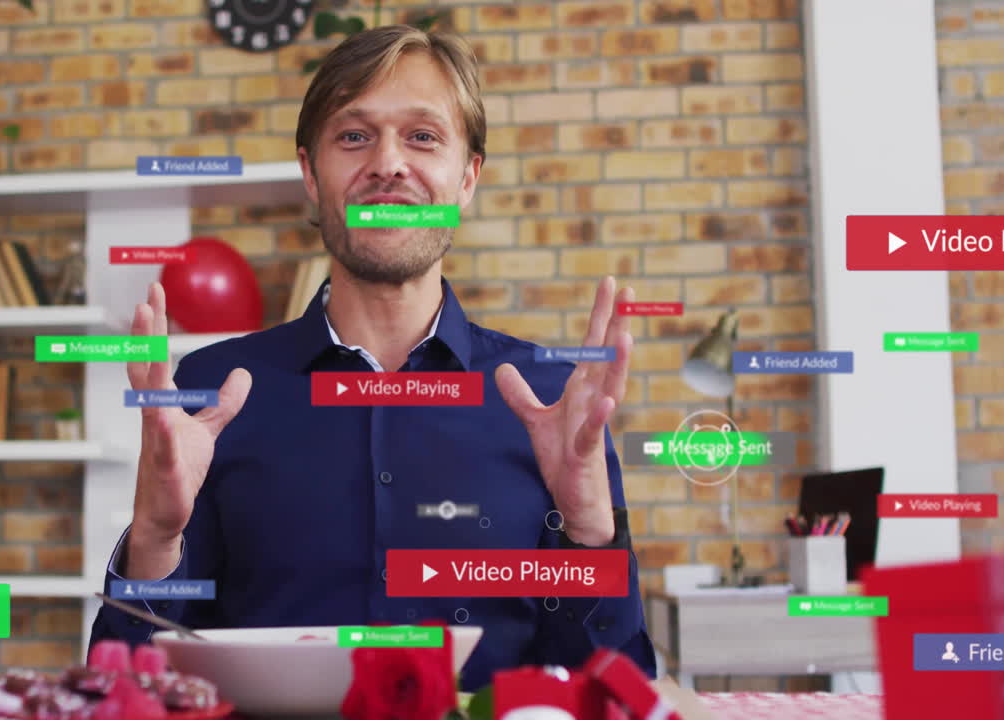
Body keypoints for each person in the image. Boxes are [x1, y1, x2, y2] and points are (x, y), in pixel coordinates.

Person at [89, 24, 656, 689]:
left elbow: (618, 687)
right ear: (310, 173)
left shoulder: (554, 399)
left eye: (423, 136)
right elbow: (129, 684)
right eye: (354, 137)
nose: (388, 162)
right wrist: (154, 538)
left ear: (466, 178)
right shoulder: (212, 390)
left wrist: (589, 536)